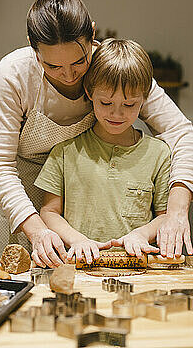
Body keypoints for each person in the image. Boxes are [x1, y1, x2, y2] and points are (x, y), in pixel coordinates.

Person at [0, 0, 193, 268]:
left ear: (92, 37)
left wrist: (176, 212)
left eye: (79, 61)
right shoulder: (13, 74)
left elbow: (181, 132)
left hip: (83, 207)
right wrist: (38, 230)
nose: (69, 75)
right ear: (33, 48)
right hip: (22, 202)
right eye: (53, 65)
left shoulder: (109, 66)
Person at [35, 39, 171, 264]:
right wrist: (77, 240)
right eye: (106, 103)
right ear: (89, 92)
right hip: (78, 268)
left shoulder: (159, 154)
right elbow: (49, 212)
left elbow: (166, 216)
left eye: (129, 105)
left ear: (145, 98)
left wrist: (142, 234)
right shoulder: (65, 152)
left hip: (139, 271)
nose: (117, 114)